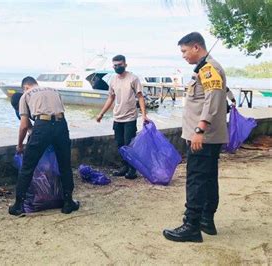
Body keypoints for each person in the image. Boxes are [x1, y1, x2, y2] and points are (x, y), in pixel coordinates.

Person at [163, 32, 228, 242]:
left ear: (196, 48)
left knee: (196, 179)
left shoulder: (209, 68)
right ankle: (206, 221)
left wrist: (199, 130)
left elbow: (214, 100)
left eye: (184, 51)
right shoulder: (205, 68)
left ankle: (191, 225)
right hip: (207, 136)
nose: (183, 55)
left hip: (204, 137)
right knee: (208, 178)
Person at [8, 76, 79, 215]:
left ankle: (18, 205)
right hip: (61, 125)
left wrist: (20, 145)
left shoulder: (26, 95)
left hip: (43, 126)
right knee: (65, 166)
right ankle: (68, 202)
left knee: (28, 167)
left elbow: (24, 125)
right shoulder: (54, 90)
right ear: (36, 84)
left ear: (25, 87)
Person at [95, 55, 149, 179]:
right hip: (117, 117)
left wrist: (144, 115)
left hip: (130, 118)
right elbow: (111, 97)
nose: (117, 67)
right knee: (120, 144)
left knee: (129, 144)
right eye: (115, 65)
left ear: (125, 64)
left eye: (119, 65)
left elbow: (140, 96)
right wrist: (101, 114)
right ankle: (124, 167)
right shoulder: (113, 80)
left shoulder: (133, 78)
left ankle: (132, 169)